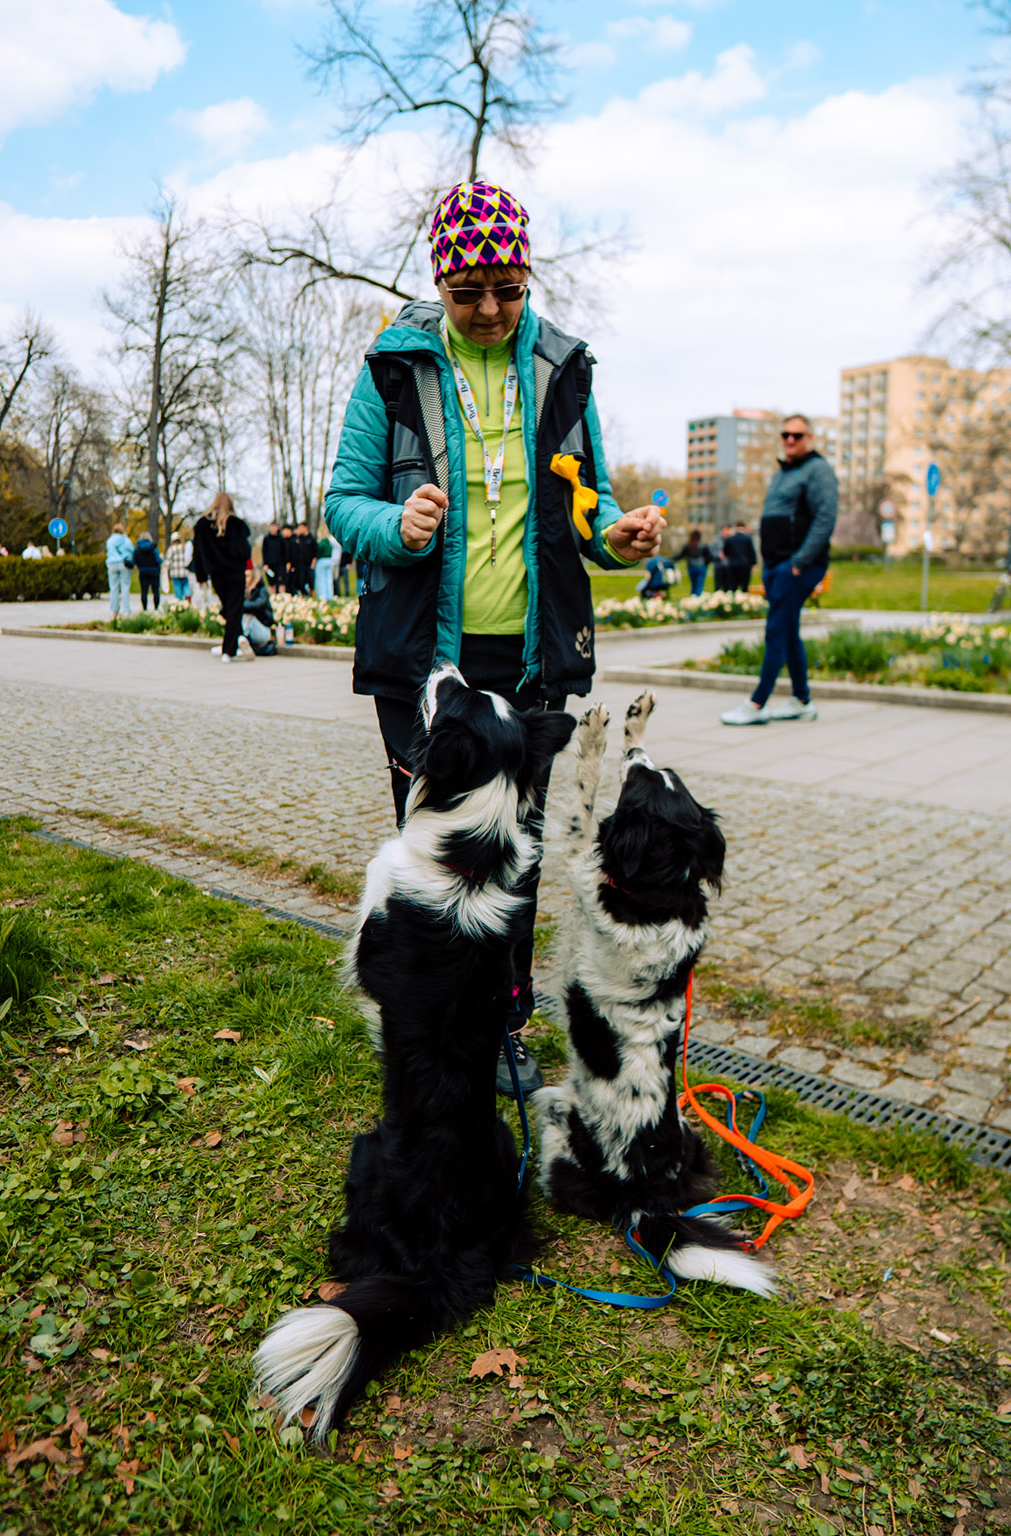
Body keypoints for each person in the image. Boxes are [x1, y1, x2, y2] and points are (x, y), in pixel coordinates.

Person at [325, 179, 664, 1096]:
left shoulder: (563, 368)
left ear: (526, 278)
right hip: (422, 661)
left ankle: (503, 1024)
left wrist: (616, 537)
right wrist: (396, 525)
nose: (487, 310)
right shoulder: (394, 369)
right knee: (433, 848)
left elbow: (586, 505)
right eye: (466, 290)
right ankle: (429, 1018)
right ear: (438, 280)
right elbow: (342, 502)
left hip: (529, 659)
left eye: (506, 290)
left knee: (514, 853)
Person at [721, 414, 838, 725]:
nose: (789, 440)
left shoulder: (818, 470)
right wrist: (767, 562)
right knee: (787, 631)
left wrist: (800, 562)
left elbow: (826, 517)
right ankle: (802, 700)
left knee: (775, 631)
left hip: (797, 566)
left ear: (809, 438)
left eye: (797, 435)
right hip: (776, 566)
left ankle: (757, 704)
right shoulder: (783, 472)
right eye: (785, 434)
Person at [192, 492, 254, 662]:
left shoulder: (203, 525)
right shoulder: (237, 524)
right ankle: (231, 648)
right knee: (233, 608)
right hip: (235, 572)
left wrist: (201, 576)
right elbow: (245, 551)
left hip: (217, 574)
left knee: (228, 608)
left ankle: (236, 641)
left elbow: (198, 552)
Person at [242, 565, 278, 654]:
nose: (245, 579)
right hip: (250, 630)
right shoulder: (243, 591)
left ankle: (240, 639)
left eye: (248, 576)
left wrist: (239, 607)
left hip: (262, 629)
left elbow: (258, 605)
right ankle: (238, 640)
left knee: (248, 615)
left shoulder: (262, 591)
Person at [104, 523, 135, 616]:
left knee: (113, 587)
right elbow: (132, 550)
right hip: (123, 563)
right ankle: (126, 610)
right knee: (125, 587)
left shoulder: (109, 541)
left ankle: (114, 610)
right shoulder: (126, 540)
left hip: (112, 564)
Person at [722, 519, 757, 593]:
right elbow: (751, 552)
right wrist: (754, 563)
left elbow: (725, 552)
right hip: (745, 565)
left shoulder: (730, 539)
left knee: (732, 587)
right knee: (744, 587)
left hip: (732, 565)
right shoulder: (747, 538)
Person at [676, 528, 713, 596]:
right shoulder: (703, 545)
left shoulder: (688, 545)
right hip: (701, 567)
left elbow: (680, 555)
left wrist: (669, 558)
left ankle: (693, 597)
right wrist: (705, 564)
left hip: (691, 567)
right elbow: (709, 557)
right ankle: (698, 597)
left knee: (693, 585)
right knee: (699, 585)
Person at [133, 531, 162, 610]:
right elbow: (159, 560)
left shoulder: (137, 549)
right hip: (154, 571)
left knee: (144, 590)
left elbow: (134, 561)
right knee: (155, 590)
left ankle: (144, 608)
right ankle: (156, 608)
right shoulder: (154, 548)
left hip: (142, 571)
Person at [165, 532, 192, 601]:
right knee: (186, 585)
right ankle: (188, 595)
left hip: (175, 573)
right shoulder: (184, 547)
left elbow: (167, 561)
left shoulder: (171, 549)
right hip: (185, 572)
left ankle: (179, 601)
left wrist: (166, 568)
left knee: (177, 587)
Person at [295, 521, 318, 597]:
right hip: (301, 564)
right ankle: (302, 595)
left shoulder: (312, 539)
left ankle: (312, 595)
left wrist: (313, 564)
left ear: (306, 528)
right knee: (301, 580)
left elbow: (315, 553)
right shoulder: (299, 539)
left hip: (309, 564)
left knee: (311, 581)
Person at [262, 521, 285, 589]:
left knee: (281, 582)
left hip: (280, 565)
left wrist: (284, 564)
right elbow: (264, 552)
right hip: (270, 565)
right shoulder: (266, 539)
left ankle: (282, 595)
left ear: (278, 528)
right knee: (271, 583)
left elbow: (284, 552)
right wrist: (265, 564)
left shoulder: (281, 539)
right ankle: (272, 595)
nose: (273, 528)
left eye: (275, 527)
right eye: (272, 527)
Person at [315, 529, 336, 600]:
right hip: (329, 560)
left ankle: (322, 595)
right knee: (328, 579)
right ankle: (330, 595)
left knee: (321, 578)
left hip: (322, 560)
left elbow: (318, 553)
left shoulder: (321, 543)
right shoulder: (329, 543)